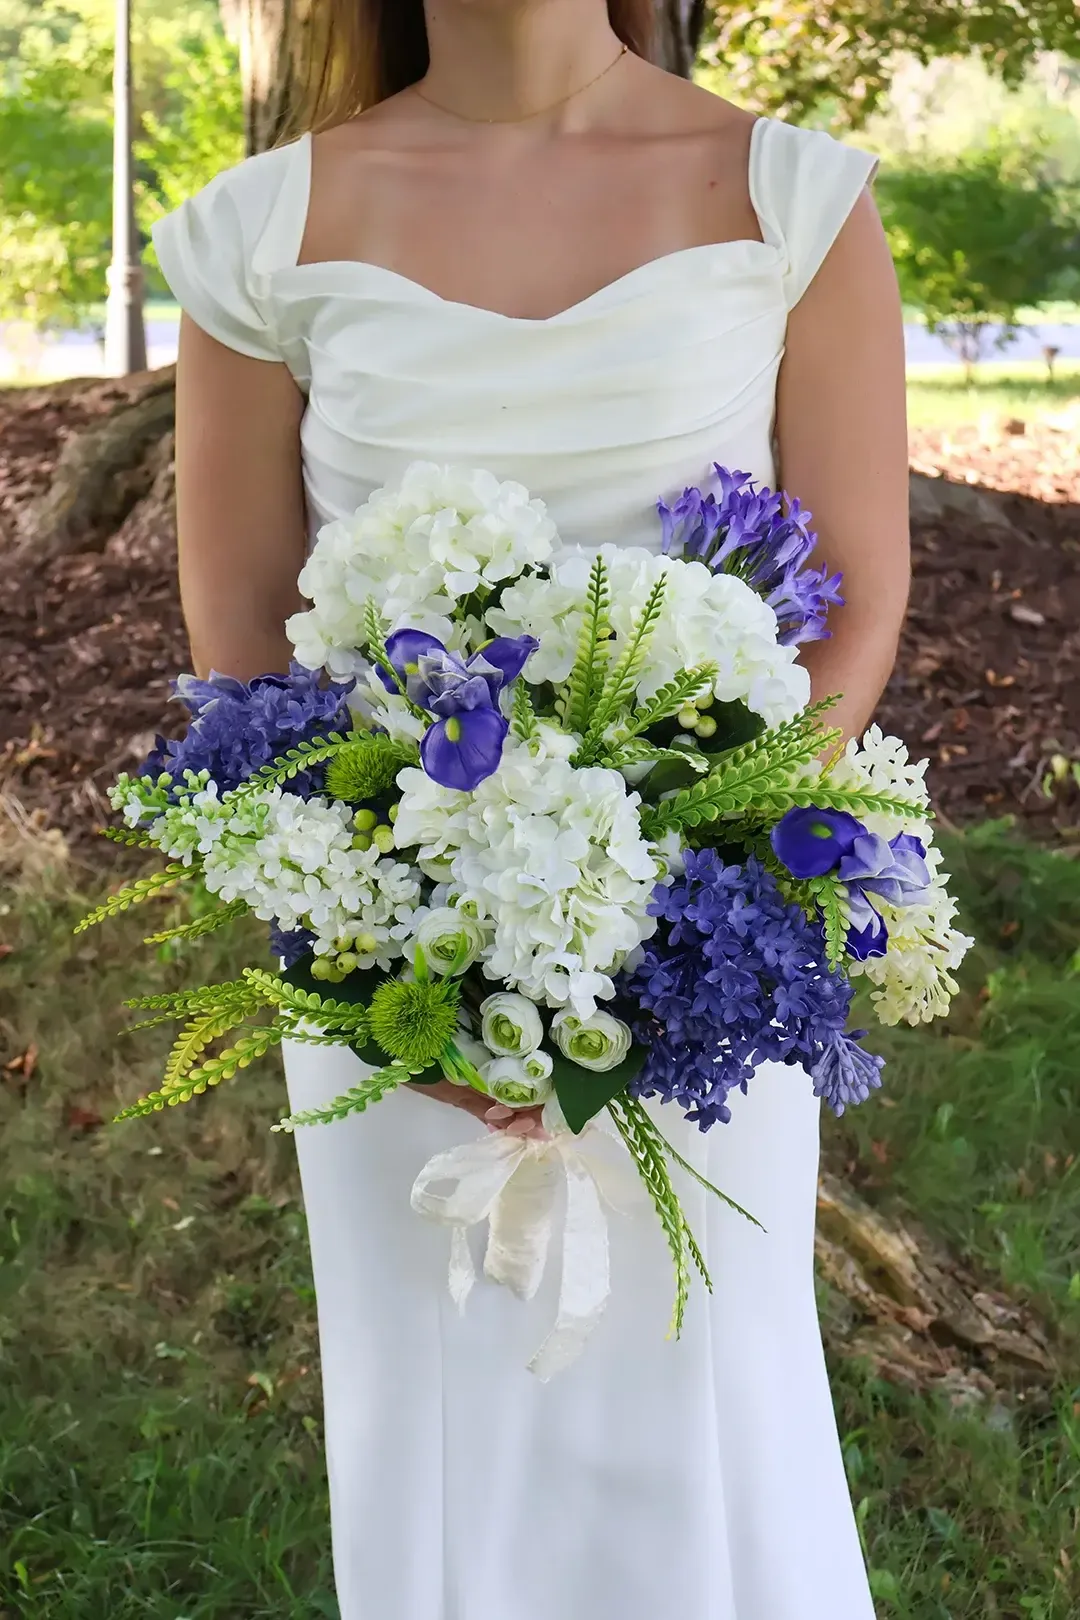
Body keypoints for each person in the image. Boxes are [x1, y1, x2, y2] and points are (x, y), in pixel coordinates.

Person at [152, 1, 910, 1615]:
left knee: (718, 1396)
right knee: (445, 1430)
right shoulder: (255, 235)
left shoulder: (794, 197)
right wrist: (405, 977)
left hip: (706, 969)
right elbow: (240, 673)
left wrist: (663, 940)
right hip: (393, 978)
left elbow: (854, 606)